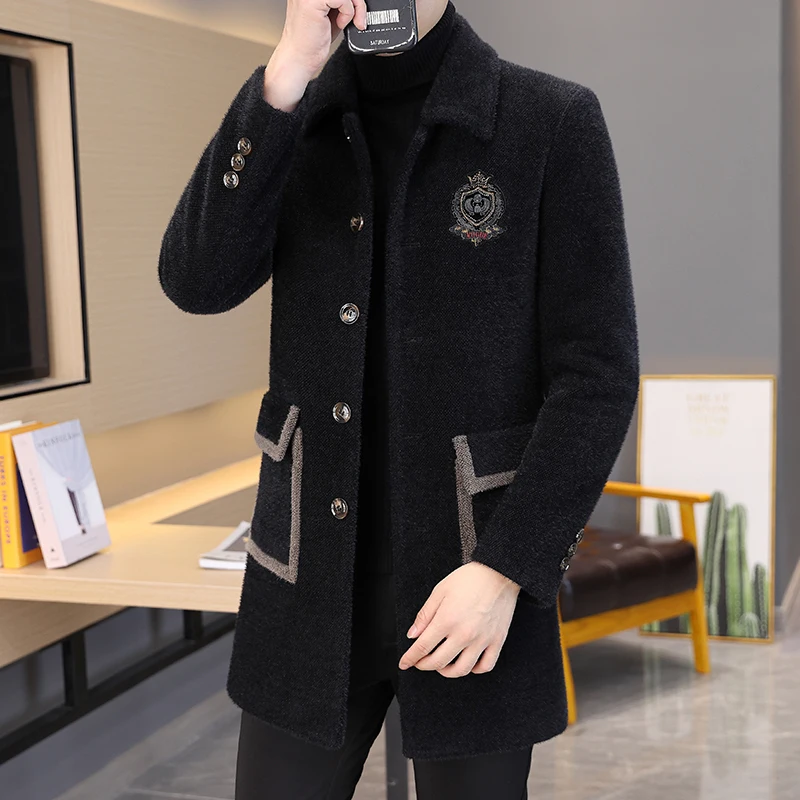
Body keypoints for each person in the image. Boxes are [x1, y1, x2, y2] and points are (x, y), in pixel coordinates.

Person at [158, 0, 640, 798]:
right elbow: (195, 280)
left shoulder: (549, 120)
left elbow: (598, 375)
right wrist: (284, 74)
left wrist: (507, 569)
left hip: (471, 587)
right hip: (306, 584)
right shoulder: (294, 113)